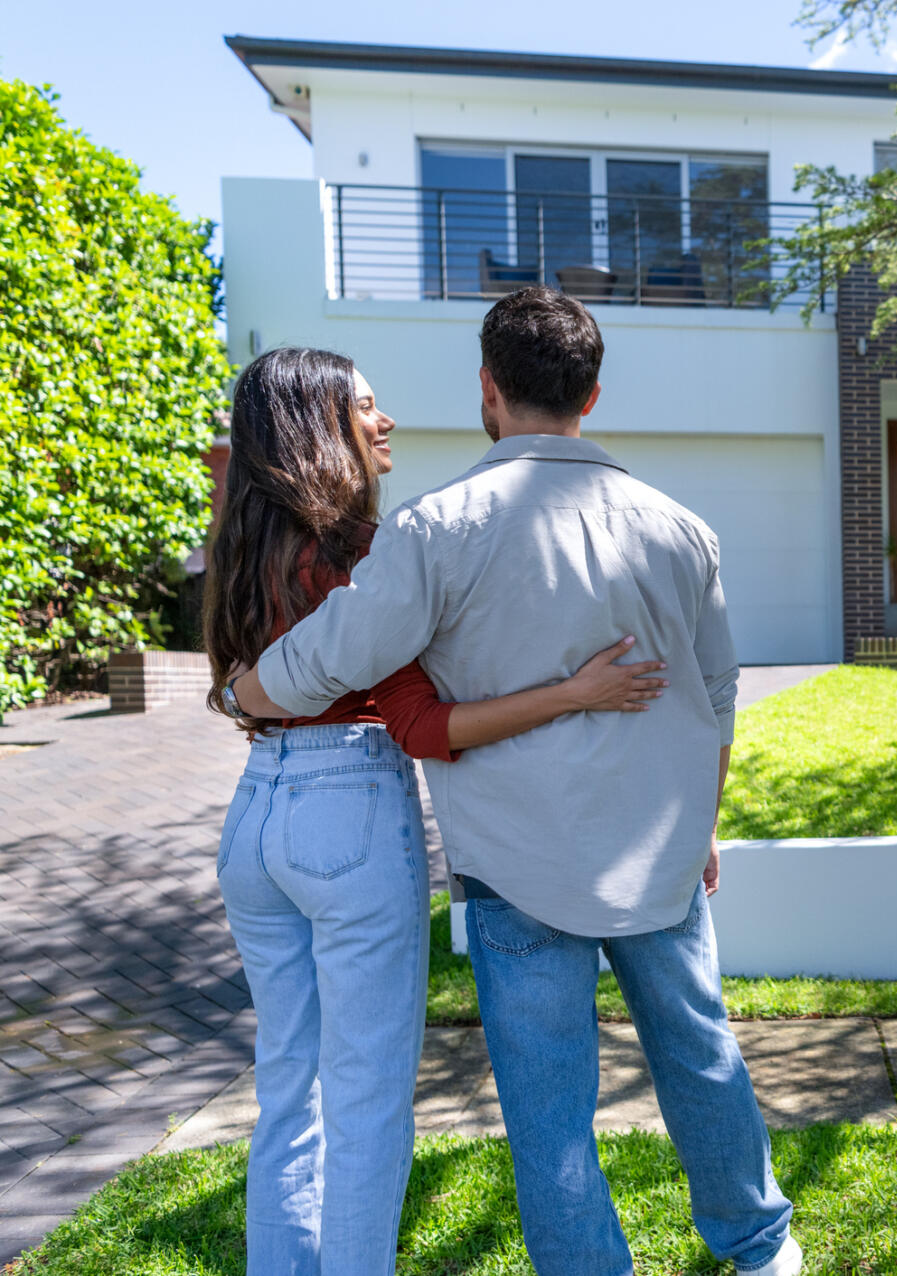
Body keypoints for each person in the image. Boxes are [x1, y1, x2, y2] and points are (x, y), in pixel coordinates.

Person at [230, 289, 801, 1276]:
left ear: (490, 389)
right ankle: (763, 1249)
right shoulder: (683, 530)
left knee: (550, 1117)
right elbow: (717, 695)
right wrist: (702, 823)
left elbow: (336, 652)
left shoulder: (433, 530)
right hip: (658, 860)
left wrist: (251, 688)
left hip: (514, 870)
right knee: (702, 1059)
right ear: (592, 394)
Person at [204, 347, 673, 1275]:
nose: (386, 423)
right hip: (348, 810)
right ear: (318, 428)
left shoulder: (239, 552)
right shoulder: (366, 557)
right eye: (366, 408)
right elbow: (422, 725)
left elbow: (238, 691)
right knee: (369, 1095)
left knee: (288, 1086)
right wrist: (572, 694)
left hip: (255, 817)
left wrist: (241, 700)